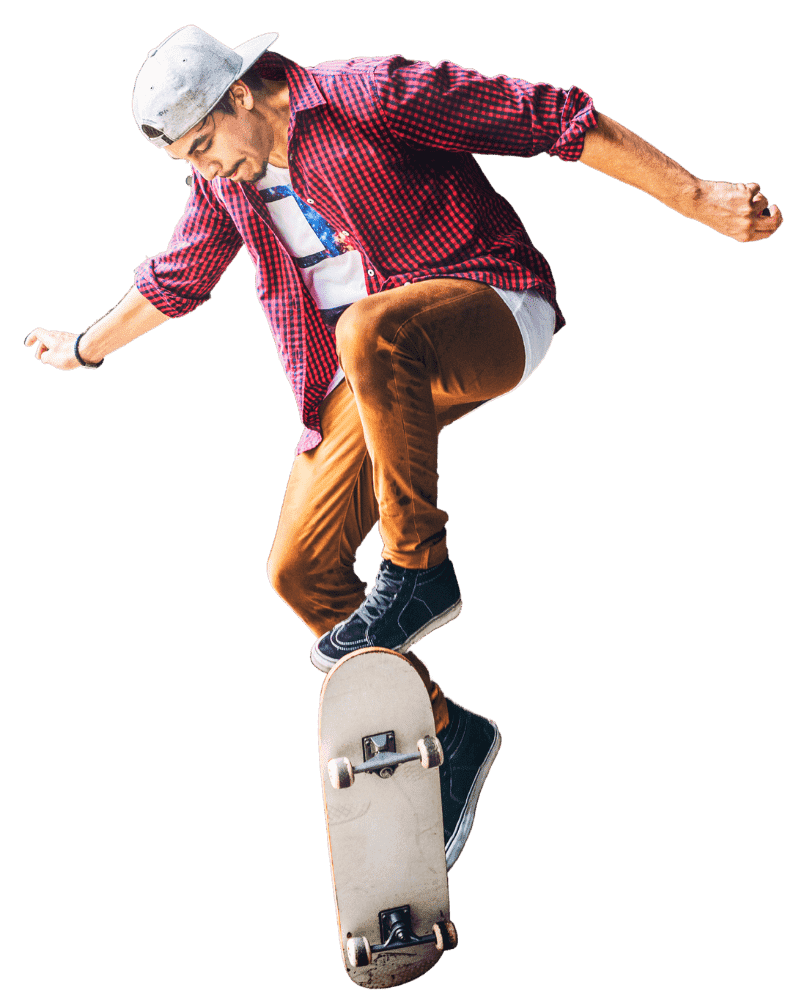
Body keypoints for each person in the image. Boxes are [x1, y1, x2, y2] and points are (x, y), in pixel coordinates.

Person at [24, 25, 782, 871]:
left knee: (369, 327)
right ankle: (450, 734)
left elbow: (551, 118)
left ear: (240, 94)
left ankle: (420, 566)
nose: (208, 170)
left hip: (492, 308)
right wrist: (84, 348)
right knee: (299, 567)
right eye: (188, 162)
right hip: (371, 369)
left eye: (206, 147)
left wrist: (697, 196)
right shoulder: (224, 186)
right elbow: (178, 278)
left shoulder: (369, 93)